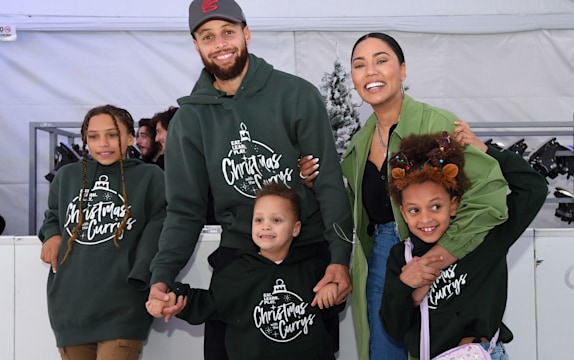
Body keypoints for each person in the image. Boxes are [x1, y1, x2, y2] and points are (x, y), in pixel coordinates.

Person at [147, 1, 353, 359]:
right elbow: (184, 210)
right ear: (196, 45)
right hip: (238, 261)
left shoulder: (296, 95)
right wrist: (161, 276)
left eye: (228, 32)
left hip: (306, 257)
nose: (220, 43)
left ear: (246, 33)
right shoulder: (190, 119)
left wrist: (339, 258)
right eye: (207, 36)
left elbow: (329, 183)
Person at [298, 33, 509, 360]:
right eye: (360, 65)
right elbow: (356, 213)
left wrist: (437, 258)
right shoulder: (357, 147)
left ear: (403, 70)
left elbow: (490, 196)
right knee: (384, 350)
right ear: (353, 79)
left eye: (381, 60)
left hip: (448, 255)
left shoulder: (438, 128)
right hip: (383, 262)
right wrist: (316, 186)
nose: (370, 71)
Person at [379, 130, 547, 359]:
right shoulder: (402, 256)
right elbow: (394, 329)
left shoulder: (487, 238)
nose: (426, 219)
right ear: (403, 213)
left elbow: (533, 188)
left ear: (454, 205)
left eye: (436, 206)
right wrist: (404, 285)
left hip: (486, 352)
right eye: (414, 210)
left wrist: (486, 152)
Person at [147, 182, 343, 359]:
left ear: (295, 228)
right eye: (259, 220)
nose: (266, 226)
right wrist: (174, 298)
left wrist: (333, 292)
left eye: (276, 220)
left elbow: (331, 307)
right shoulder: (236, 274)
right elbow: (205, 303)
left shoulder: (314, 270)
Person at [38, 105, 166, 360]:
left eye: (112, 134)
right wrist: (51, 234)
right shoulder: (67, 177)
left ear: (130, 137)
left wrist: (140, 276)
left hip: (123, 304)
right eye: (93, 136)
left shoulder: (150, 176)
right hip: (71, 304)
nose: (103, 143)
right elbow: (53, 214)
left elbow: (160, 225)